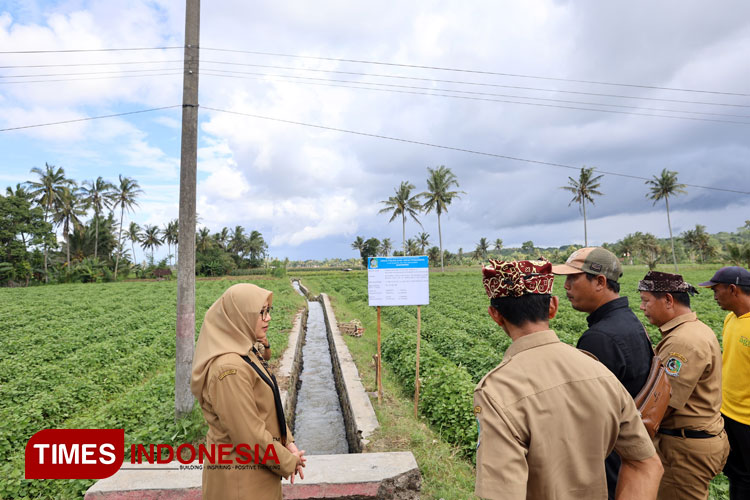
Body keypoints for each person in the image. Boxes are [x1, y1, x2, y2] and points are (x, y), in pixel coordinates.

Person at [475, 258, 663, 500]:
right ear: (553, 306)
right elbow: (646, 464)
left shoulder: (496, 391)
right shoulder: (599, 371)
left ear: (495, 315)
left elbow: (501, 494)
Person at [552, 247, 653, 499]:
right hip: (628, 452)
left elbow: (586, 419)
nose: (566, 286)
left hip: (608, 465)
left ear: (599, 281)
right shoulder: (630, 320)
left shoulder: (600, 338)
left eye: (573, 278)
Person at [191, 283, 305, 500]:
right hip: (240, 482)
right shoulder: (229, 370)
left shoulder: (244, 351)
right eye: (261, 313)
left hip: (256, 471)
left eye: (268, 311)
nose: (268, 318)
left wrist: (288, 442)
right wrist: (290, 461)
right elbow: (249, 436)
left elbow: (267, 406)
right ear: (239, 317)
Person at [638, 271, 729, 500]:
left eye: (646, 300)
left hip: (685, 449)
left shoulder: (684, 342)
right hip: (693, 440)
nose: (642, 307)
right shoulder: (692, 330)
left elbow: (662, 404)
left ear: (668, 300)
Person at [699, 266, 750, 500]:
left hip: (747, 420)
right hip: (728, 412)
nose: (714, 296)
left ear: (733, 289)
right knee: (735, 474)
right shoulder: (731, 318)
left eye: (716, 290)